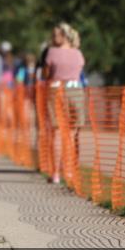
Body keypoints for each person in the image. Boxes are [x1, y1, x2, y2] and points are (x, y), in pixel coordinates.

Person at [42, 22, 86, 184]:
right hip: (76, 91)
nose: (53, 38)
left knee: (57, 132)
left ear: (64, 36)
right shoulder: (78, 53)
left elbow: (46, 73)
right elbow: (79, 72)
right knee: (72, 133)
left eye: (56, 35)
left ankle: (56, 173)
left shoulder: (52, 52)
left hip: (56, 91)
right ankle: (69, 170)